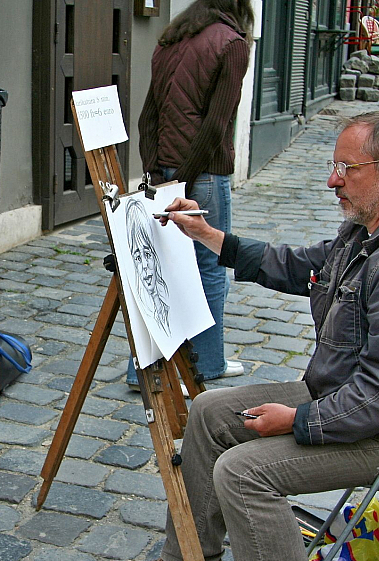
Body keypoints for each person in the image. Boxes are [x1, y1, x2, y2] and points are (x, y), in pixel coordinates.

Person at [118, 112, 379, 561]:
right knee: (212, 411)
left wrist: (298, 420)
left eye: (347, 168)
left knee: (242, 473)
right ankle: (194, 558)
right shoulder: (368, 234)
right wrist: (212, 237)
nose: (333, 179)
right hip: (346, 399)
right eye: (335, 166)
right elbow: (298, 265)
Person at [128, 0, 254, 389]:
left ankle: (145, 369)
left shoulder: (171, 39)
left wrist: (155, 171)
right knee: (210, 268)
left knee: (157, 268)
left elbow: (147, 116)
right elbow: (217, 124)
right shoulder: (232, 44)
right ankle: (207, 364)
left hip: (165, 170)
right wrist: (184, 179)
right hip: (202, 176)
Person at [127, 197, 171, 336]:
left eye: (148, 254)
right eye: (138, 258)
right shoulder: (147, 311)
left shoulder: (168, 306)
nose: (145, 266)